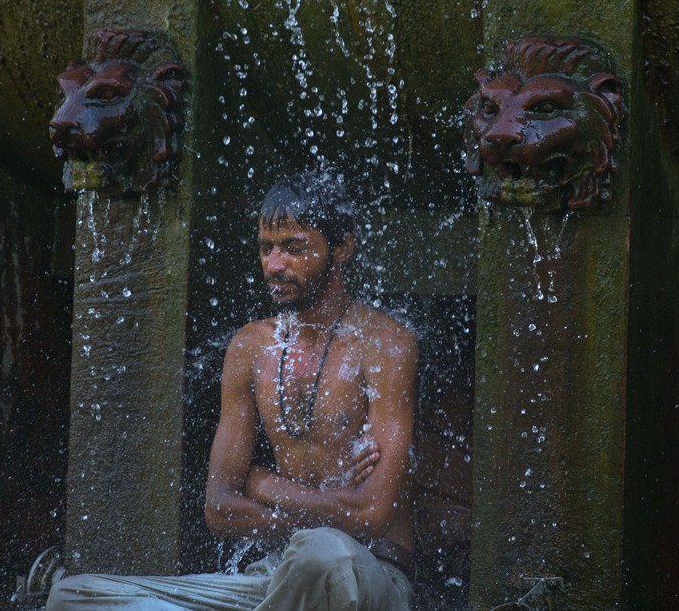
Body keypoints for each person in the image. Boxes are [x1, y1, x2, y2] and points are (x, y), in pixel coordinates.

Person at [48, 172, 419, 610]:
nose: (274, 265)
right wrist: (323, 506)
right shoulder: (250, 347)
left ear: (342, 248)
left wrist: (265, 486)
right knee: (73, 595)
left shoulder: (386, 344)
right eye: (266, 248)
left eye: (294, 248)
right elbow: (220, 509)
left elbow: (370, 515)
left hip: (364, 574)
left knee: (321, 553)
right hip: (273, 579)